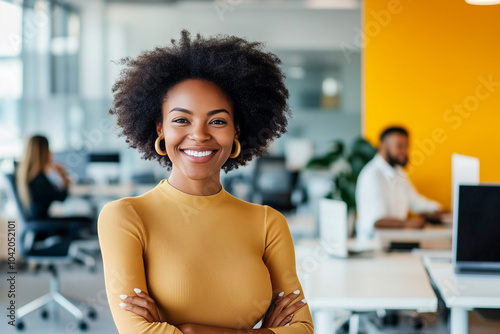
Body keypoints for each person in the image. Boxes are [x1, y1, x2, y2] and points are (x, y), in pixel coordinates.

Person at [98, 31, 313, 334]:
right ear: (160, 128)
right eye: (181, 120)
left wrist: (189, 331)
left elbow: (302, 329)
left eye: (217, 121)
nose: (199, 135)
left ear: (236, 130)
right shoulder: (125, 217)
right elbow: (138, 331)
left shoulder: (268, 223)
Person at [355, 126, 442, 240]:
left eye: (406, 146)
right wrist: (408, 223)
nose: (404, 151)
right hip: (374, 246)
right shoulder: (372, 175)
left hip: (395, 240)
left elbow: (416, 202)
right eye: (399, 146)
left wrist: (440, 210)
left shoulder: (399, 172)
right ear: (382, 147)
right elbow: (377, 221)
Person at [16, 135, 72, 219]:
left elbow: (51, 191)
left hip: (38, 219)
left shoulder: (29, 175)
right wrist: (64, 177)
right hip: (42, 220)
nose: (51, 153)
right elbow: (61, 197)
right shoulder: (39, 178)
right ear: (43, 152)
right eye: (48, 149)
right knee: (85, 220)